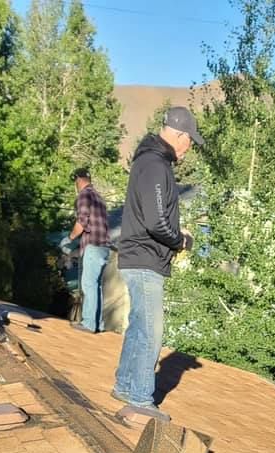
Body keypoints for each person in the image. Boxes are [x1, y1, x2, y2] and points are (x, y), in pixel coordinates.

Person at [113, 106, 203, 423]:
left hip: (138, 256)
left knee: (139, 326)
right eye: (190, 140)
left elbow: (154, 216)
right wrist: (180, 240)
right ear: (178, 134)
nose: (190, 147)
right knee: (152, 331)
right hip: (145, 258)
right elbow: (156, 221)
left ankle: (125, 386)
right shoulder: (155, 164)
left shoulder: (150, 161)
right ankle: (140, 398)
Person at [61, 168, 111, 333]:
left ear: (78, 180)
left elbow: (82, 222)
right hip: (104, 248)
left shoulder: (84, 195)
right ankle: (99, 324)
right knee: (96, 286)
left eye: (75, 182)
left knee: (88, 285)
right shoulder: (99, 197)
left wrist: (70, 238)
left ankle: (89, 323)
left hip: (92, 246)